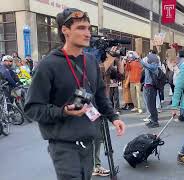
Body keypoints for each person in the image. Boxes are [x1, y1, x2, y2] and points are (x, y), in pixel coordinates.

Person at [24, 8, 125, 180]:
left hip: (89, 141)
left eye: (88, 28)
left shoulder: (91, 61)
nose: (87, 33)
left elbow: (100, 94)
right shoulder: (48, 65)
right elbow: (32, 109)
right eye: (81, 28)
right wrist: (62, 111)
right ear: (65, 30)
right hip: (63, 146)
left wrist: (114, 117)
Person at [141, 53, 160, 128]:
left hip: (151, 88)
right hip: (147, 87)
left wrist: (139, 59)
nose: (147, 59)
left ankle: (155, 122)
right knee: (149, 105)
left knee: (151, 106)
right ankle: (152, 120)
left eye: (148, 58)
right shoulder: (150, 66)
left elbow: (145, 65)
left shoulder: (154, 66)